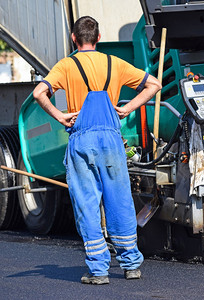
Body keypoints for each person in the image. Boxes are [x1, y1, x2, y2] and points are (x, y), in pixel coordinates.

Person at [33, 16, 162, 285]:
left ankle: (99, 270)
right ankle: (131, 265)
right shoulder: (114, 63)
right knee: (120, 201)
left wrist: (60, 116)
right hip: (112, 142)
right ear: (99, 38)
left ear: (73, 38)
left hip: (82, 141)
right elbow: (155, 85)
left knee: (87, 204)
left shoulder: (66, 65)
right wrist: (128, 108)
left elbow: (38, 93)